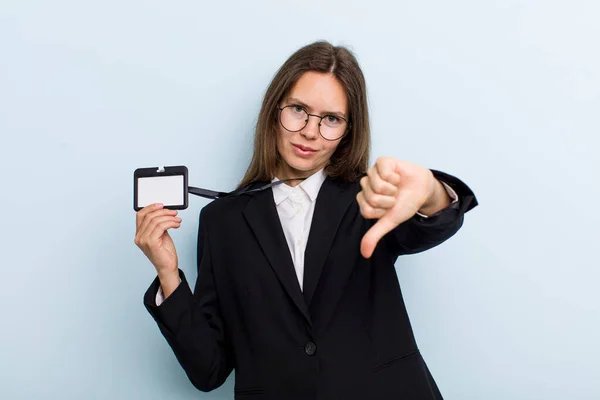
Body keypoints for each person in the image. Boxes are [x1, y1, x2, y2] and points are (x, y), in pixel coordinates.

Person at [134, 41, 478, 399]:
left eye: (331, 119)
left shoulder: (370, 196)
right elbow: (209, 370)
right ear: (274, 110)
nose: (311, 132)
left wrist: (431, 192)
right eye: (298, 110)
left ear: (348, 130)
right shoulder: (223, 222)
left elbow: (430, 223)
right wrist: (168, 274)